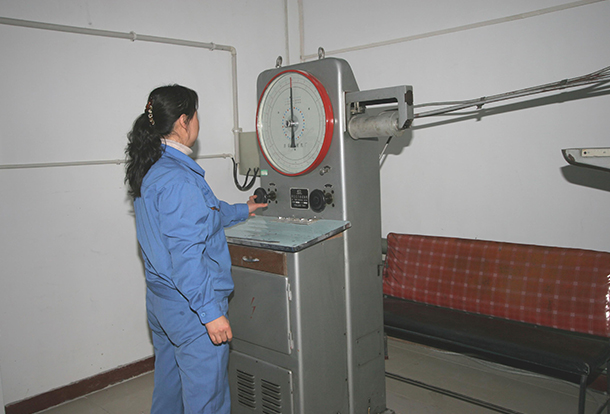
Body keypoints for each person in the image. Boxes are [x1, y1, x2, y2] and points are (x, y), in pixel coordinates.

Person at [124, 84, 266, 414]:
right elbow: (187, 257)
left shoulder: (154, 167)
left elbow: (206, 212)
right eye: (196, 114)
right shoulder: (180, 180)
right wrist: (210, 313)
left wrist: (244, 209)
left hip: (162, 302)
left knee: (170, 390)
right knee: (207, 401)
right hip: (191, 309)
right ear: (184, 121)